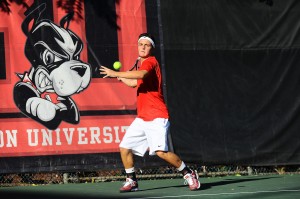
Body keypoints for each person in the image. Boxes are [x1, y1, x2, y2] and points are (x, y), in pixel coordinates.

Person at [100, 33, 200, 192]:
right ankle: (131, 180)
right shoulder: (141, 63)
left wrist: (116, 73)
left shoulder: (150, 62)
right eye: (141, 44)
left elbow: (141, 75)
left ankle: (188, 173)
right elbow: (134, 83)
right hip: (142, 117)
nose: (143, 47)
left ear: (152, 48)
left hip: (157, 116)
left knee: (161, 152)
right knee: (124, 147)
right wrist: (120, 78)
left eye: (147, 45)